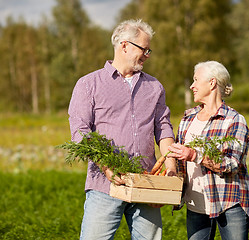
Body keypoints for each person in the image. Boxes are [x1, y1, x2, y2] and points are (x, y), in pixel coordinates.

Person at [68, 19, 176, 240]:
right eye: (144, 49)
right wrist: (107, 167)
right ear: (124, 45)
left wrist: (171, 167)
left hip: (147, 184)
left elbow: (163, 128)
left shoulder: (154, 87)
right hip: (105, 185)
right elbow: (80, 132)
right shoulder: (89, 84)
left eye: (149, 50)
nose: (147, 54)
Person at [168, 61, 249, 240]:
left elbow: (232, 164)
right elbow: (178, 161)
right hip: (195, 205)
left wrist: (194, 155)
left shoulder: (234, 120)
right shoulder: (188, 119)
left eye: (196, 80)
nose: (192, 86)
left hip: (228, 204)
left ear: (212, 83)